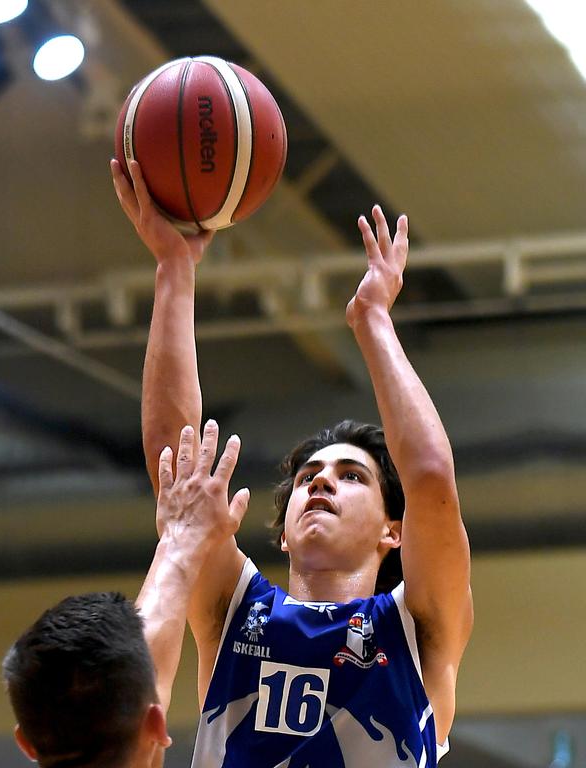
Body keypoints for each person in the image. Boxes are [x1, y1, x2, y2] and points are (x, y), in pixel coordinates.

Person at [111, 158, 473, 767]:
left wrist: (373, 318)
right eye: (309, 477)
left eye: (351, 476)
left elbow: (432, 478)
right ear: (280, 532)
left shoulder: (420, 627)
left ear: (394, 531)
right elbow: (174, 461)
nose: (323, 480)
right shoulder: (236, 613)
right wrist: (174, 269)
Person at [3, 422, 250, 768]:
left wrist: (179, 543)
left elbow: (147, 658)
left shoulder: (139, 715)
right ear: (156, 725)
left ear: (26, 742)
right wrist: (180, 539)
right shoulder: (137, 705)